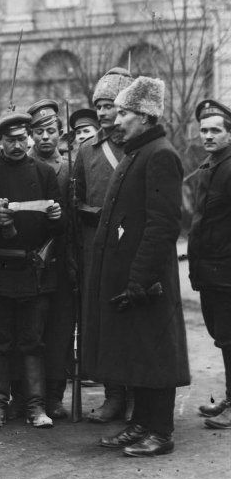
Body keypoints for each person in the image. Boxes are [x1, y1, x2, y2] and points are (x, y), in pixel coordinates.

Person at [86, 76, 190, 456]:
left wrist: (140, 279)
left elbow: (163, 224)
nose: (116, 118)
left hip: (147, 279)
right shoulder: (138, 152)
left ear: (145, 116)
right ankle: (141, 424)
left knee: (155, 353)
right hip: (133, 277)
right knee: (138, 352)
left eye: (125, 112)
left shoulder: (160, 154)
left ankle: (160, 432)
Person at [0, 111, 64, 429]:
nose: (18, 145)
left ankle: (36, 407)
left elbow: (63, 225)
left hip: (34, 271)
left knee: (32, 342)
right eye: (11, 140)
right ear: (0, 141)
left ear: (30, 138)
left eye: (23, 138)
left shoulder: (45, 173)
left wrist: (57, 215)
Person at [74, 67, 135, 423]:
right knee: (105, 324)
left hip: (130, 246)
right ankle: (114, 396)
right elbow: (77, 200)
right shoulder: (87, 150)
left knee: (133, 324)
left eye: (109, 104)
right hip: (96, 245)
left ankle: (139, 396)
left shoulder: (136, 146)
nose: (102, 112)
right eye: (98, 105)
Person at [27, 99, 75, 420]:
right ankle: (29, 397)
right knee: (31, 330)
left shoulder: (71, 166)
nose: (45, 137)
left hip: (61, 256)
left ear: (61, 133)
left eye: (51, 131)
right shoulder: (21, 163)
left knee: (59, 329)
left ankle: (55, 395)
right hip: (29, 258)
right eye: (39, 132)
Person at [187, 99, 231, 429]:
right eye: (204, 130)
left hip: (227, 270)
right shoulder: (209, 166)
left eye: (216, 130)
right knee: (223, 337)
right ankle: (228, 399)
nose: (208, 135)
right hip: (211, 270)